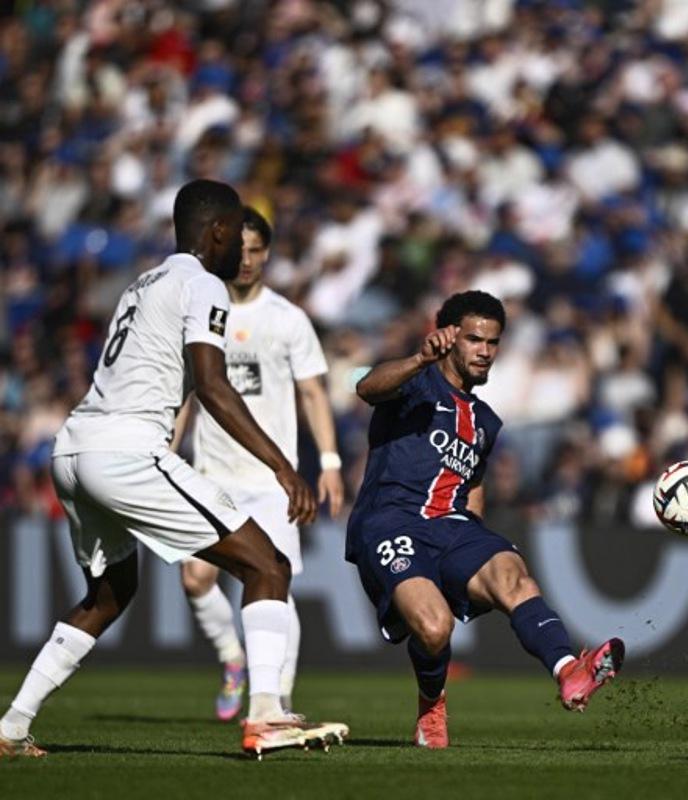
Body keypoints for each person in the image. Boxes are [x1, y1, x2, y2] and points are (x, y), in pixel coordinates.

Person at [0, 180, 346, 759]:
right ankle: (266, 715)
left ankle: (12, 724)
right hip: (126, 450)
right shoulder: (204, 283)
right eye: (238, 233)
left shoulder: (145, 282)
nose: (244, 245)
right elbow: (212, 385)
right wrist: (284, 466)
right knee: (268, 565)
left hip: (74, 447)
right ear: (216, 233)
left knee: (110, 594)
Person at [348, 290, 623, 749]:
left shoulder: (485, 421)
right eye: (475, 339)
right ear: (450, 337)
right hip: (391, 522)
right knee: (434, 629)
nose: (485, 351)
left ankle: (568, 669)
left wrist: (477, 540)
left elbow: (472, 481)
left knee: (512, 575)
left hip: (453, 525)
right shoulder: (415, 382)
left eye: (493, 343)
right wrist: (418, 358)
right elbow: (366, 387)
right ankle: (431, 704)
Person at [171, 207, 345, 720]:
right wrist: (166, 448)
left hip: (273, 480)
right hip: (211, 475)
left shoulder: (287, 318)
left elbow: (313, 391)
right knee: (194, 580)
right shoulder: (203, 308)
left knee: (275, 579)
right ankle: (232, 658)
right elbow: (186, 393)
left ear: (268, 254)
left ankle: (278, 698)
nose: (246, 261)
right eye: (239, 250)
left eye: (256, 250)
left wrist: (330, 462)